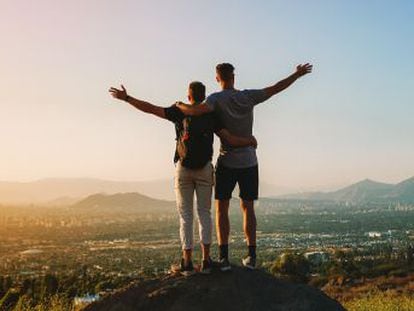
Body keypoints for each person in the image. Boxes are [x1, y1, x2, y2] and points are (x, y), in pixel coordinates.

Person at [109, 81, 257, 276]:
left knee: (186, 216)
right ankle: (206, 260)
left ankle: (187, 263)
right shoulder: (211, 114)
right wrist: (250, 141)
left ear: (189, 96)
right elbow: (228, 139)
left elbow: (151, 109)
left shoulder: (179, 111)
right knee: (204, 213)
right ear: (204, 97)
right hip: (204, 168)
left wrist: (127, 98)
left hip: (183, 169)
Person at [177, 63, 313, 270]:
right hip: (249, 161)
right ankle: (251, 256)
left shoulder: (215, 99)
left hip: (227, 161)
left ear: (217, 78)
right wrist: (297, 74)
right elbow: (276, 88)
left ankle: (223, 258)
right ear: (233, 76)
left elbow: (196, 111)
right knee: (247, 207)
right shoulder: (248, 96)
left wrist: (179, 105)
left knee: (221, 207)